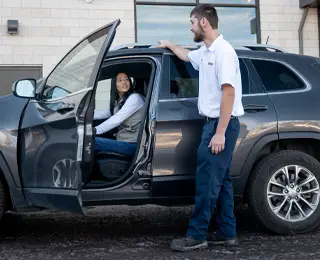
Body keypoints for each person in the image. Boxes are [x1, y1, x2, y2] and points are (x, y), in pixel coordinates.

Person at [156, 4, 244, 252]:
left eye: (192, 23)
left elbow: (228, 93)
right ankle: (228, 233)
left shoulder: (224, 52)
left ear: (204, 22)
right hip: (214, 125)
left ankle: (196, 236)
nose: (191, 27)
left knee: (207, 182)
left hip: (220, 125)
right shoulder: (205, 51)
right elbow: (186, 55)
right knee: (222, 181)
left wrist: (219, 133)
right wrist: (169, 45)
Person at [93, 72, 145, 157]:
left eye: (126, 79)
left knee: (91, 142)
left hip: (132, 145)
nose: (124, 82)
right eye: (120, 80)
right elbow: (107, 113)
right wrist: (84, 113)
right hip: (124, 140)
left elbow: (116, 119)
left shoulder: (135, 98)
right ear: (115, 84)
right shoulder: (121, 101)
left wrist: (94, 131)